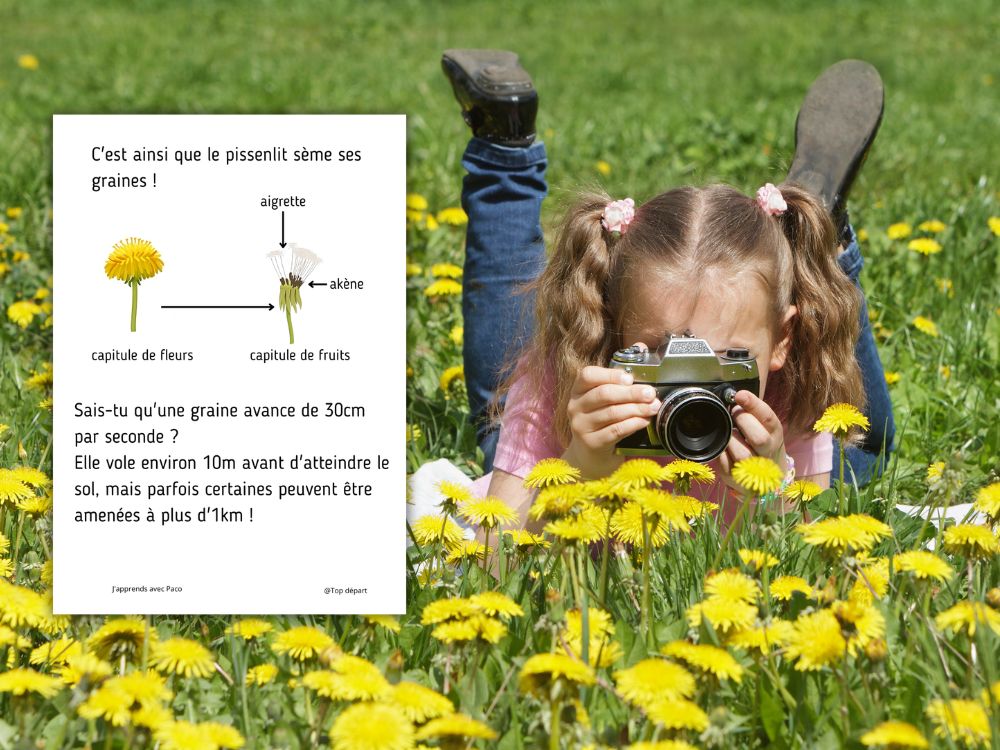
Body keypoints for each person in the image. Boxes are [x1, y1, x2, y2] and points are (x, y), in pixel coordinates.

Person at [436, 51, 895, 528]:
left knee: (866, 452)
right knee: (500, 404)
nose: (692, 381)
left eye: (731, 357)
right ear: (609, 326)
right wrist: (580, 468)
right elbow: (496, 557)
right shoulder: (571, 371)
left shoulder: (791, 389)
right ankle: (505, 144)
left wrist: (773, 484)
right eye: (660, 351)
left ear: (782, 340)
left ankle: (819, 234)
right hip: (567, 440)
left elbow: (803, 552)